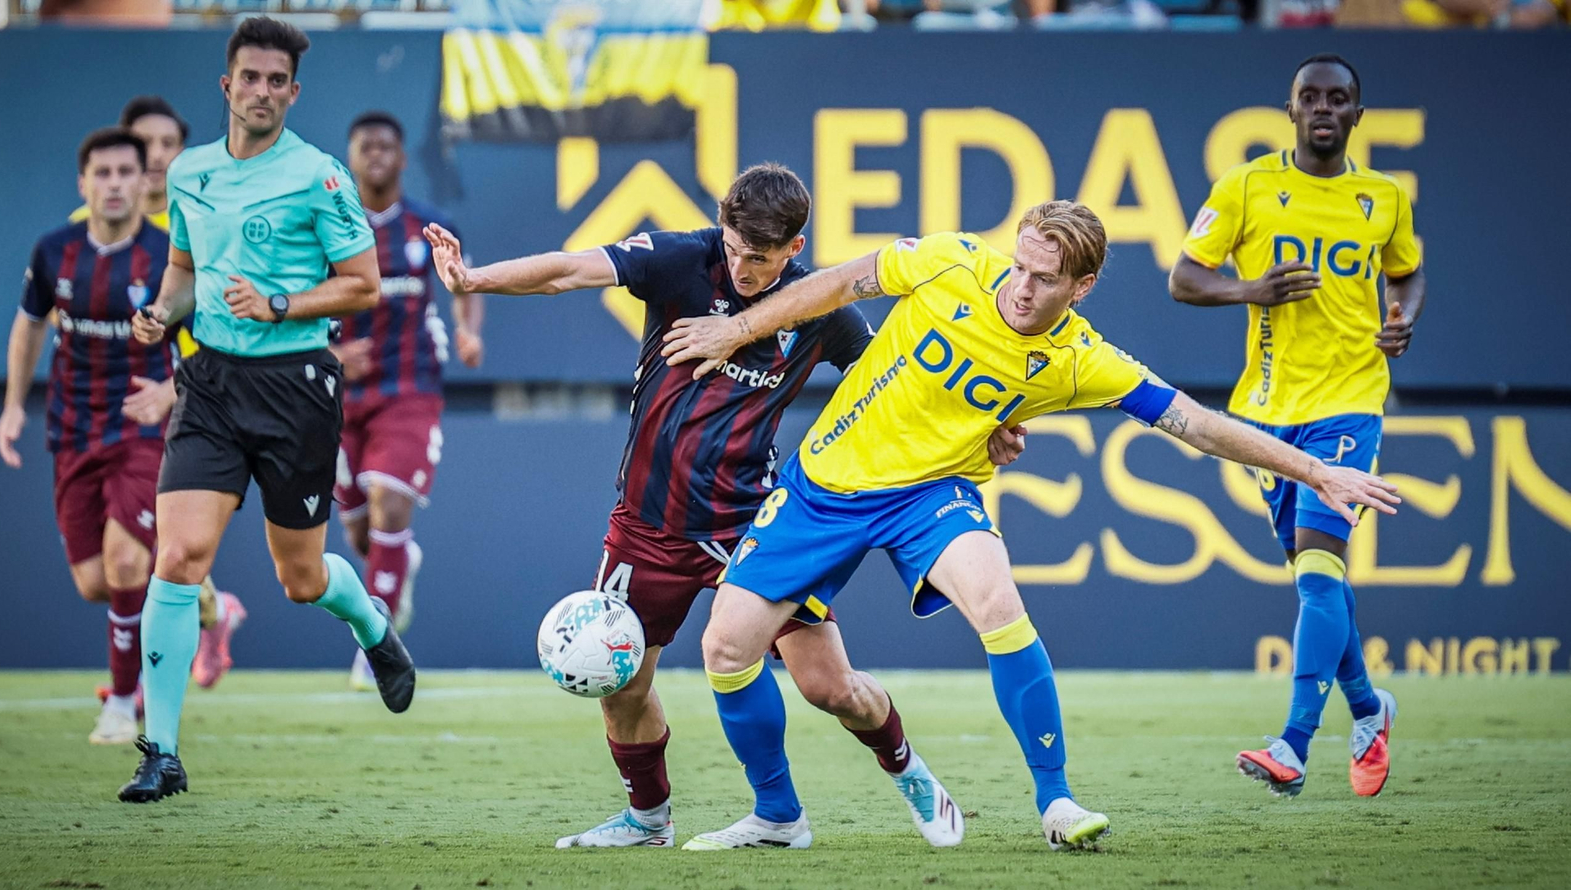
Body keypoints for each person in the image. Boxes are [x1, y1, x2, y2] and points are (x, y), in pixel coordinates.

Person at [660, 200, 1401, 850]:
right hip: (825, 485)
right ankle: (780, 816)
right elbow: (833, 284)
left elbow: (1200, 426)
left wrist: (1316, 471)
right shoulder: (947, 260)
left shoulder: (1082, 362)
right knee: (731, 648)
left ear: (1082, 288)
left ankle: (1057, 800)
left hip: (931, 494)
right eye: (1019, 265)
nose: (1021, 286)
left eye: (1045, 279)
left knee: (998, 602)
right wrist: (738, 331)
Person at [426, 164, 1026, 849]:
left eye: (761, 258)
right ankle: (651, 821)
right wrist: (475, 280)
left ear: (794, 248)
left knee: (829, 687)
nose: (743, 267)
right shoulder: (680, 260)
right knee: (621, 685)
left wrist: (985, 429)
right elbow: (569, 269)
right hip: (647, 525)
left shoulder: (821, 308)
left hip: (753, 526)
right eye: (736, 249)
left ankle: (906, 768)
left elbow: (897, 391)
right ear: (722, 224)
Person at [120, 16, 416, 804]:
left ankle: (372, 624)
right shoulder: (190, 173)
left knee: (300, 576)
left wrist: (282, 301)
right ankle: (163, 752)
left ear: (292, 92)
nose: (260, 91)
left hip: (296, 388)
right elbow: (184, 272)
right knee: (178, 559)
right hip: (210, 384)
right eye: (248, 77)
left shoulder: (318, 175)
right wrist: (160, 312)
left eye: (275, 81)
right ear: (228, 85)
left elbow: (364, 283)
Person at [1169, 53, 1425, 799]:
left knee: (1318, 570)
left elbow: (1406, 272)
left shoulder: (1384, 198)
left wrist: (1402, 317)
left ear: (1355, 115)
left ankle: (1294, 742)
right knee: (1323, 584)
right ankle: (1371, 709)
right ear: (1290, 111)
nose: (1322, 108)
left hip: (1350, 404)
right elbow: (1184, 278)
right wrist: (1251, 289)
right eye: (1308, 97)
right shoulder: (1248, 186)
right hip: (1267, 414)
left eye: (1337, 98)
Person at [0, 128, 176, 745]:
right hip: (72, 429)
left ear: (145, 181)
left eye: (128, 172)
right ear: (84, 183)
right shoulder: (54, 251)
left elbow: (210, 341)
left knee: (127, 562)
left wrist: (173, 393)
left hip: (142, 430)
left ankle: (124, 702)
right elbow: (28, 330)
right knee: (96, 581)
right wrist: (14, 406)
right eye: (103, 173)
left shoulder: (171, 256)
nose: (116, 184)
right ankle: (184, 606)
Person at [71, 94, 246, 692]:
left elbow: (221, 329)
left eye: (166, 146)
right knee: (107, 575)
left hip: (192, 401)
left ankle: (138, 687)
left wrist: (174, 390)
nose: (152, 159)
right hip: (103, 417)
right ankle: (213, 613)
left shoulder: (199, 228)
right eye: (141, 146)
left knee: (140, 555)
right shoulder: (85, 232)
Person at [331, 111, 484, 690]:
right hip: (338, 398)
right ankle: (400, 567)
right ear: (349, 157)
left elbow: (463, 284)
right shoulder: (330, 229)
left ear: (401, 158)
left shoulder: (428, 226)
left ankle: (378, 646)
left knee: (389, 503)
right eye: (364, 144)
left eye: (387, 146)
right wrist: (330, 356)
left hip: (409, 391)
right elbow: (304, 299)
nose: (376, 154)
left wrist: (468, 330)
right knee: (361, 535)